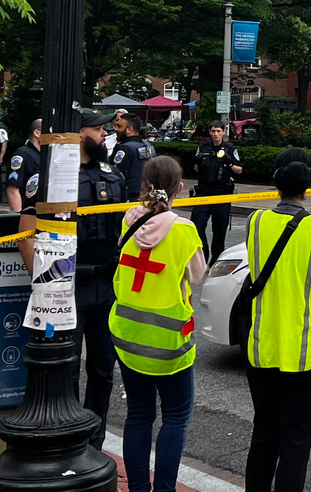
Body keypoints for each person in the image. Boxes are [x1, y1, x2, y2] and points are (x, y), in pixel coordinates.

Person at [244, 148, 311, 492]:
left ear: (274, 184)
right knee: (296, 441)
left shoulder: (254, 222)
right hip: (308, 343)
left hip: (263, 343)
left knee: (264, 433)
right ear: (310, 186)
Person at [110, 156, 206, 492]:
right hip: (168, 342)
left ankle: (138, 488)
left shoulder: (130, 219)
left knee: (138, 415)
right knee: (176, 417)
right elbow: (197, 276)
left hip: (127, 334)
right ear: (179, 188)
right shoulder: (183, 230)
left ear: (144, 186)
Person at [73, 109, 129, 450]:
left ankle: (94, 440)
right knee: (63, 369)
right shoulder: (58, 173)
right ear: (80, 134)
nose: (105, 133)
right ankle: (64, 434)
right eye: (98, 128)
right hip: (69, 283)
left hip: (106, 283)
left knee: (103, 368)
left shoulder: (113, 172)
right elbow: (28, 230)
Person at [191, 121, 242, 261]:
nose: (216, 134)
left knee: (219, 230)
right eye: (213, 131)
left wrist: (229, 162)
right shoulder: (203, 148)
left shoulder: (230, 148)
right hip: (203, 193)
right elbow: (195, 169)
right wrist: (198, 161)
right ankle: (203, 256)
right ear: (210, 132)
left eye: (218, 131)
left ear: (223, 132)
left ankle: (215, 260)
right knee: (197, 226)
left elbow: (239, 170)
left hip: (222, 194)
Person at [7, 119, 43, 265]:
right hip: (28, 219)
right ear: (37, 133)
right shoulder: (22, 155)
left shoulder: (44, 155)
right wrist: (18, 217)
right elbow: (13, 189)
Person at [113, 112, 157, 202]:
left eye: (119, 126)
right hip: (147, 195)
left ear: (129, 129)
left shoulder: (125, 148)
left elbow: (116, 174)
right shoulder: (148, 145)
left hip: (130, 198)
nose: (116, 129)